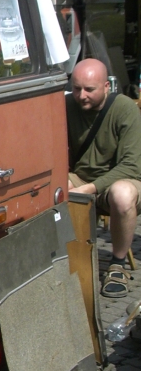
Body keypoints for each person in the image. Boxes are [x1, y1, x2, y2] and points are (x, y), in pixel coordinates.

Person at [67, 58, 141, 297]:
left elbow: (130, 165)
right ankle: (66, 259)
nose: (82, 95)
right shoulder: (66, 105)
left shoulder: (125, 108)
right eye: (76, 88)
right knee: (54, 186)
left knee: (122, 194)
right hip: (81, 177)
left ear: (106, 86)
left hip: (120, 179)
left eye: (89, 89)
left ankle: (117, 265)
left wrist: (91, 188)